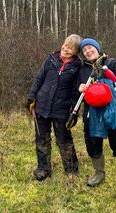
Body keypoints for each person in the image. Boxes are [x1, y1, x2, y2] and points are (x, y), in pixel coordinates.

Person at [77, 38, 116, 199]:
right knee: (93, 144)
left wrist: (110, 87)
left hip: (113, 113)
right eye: (85, 51)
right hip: (91, 114)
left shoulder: (111, 63)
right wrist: (80, 88)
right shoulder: (83, 69)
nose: (88, 52)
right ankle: (99, 173)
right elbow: (78, 88)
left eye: (90, 48)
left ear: (97, 48)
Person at [25, 34, 82, 181]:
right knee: (42, 139)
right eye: (65, 45)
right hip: (41, 106)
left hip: (62, 110)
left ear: (76, 51)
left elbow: (77, 91)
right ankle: (43, 169)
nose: (65, 49)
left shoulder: (77, 66)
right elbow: (39, 78)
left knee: (64, 140)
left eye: (70, 48)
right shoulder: (51, 59)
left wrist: (74, 112)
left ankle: (71, 170)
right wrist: (31, 97)